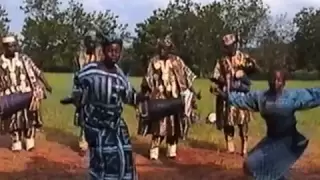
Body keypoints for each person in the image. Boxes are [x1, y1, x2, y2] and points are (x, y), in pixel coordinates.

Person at [217, 69, 320, 179]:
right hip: (271, 139)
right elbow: (243, 100)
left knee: (254, 165)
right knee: (249, 166)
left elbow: (313, 95)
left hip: (289, 140)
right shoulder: (261, 97)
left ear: (284, 82)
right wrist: (225, 95)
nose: (275, 83)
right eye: (273, 79)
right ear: (268, 81)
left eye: (279, 80)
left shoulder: (292, 97)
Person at [138, 34, 198, 160]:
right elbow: (146, 80)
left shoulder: (177, 61)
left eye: (165, 48)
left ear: (170, 49)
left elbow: (187, 79)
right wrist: (143, 96)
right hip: (159, 98)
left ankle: (172, 148)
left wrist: (194, 92)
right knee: (158, 126)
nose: (162, 51)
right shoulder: (153, 62)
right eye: (160, 48)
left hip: (175, 97)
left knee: (174, 124)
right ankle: (154, 150)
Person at [209, 33, 259, 156]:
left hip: (241, 94)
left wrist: (243, 73)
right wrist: (225, 80)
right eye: (227, 47)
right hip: (227, 94)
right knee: (228, 121)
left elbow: (254, 70)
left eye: (231, 46)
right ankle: (229, 145)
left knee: (243, 121)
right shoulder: (222, 60)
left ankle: (244, 147)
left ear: (235, 45)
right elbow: (214, 76)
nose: (229, 49)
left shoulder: (243, 57)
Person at [0, 35, 51, 152]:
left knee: (29, 117)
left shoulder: (24, 59)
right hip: (10, 96)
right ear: (4, 47)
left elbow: (36, 71)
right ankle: (16, 141)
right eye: (10, 46)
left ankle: (29, 141)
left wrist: (47, 85)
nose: (13, 48)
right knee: (13, 119)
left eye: (14, 46)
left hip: (27, 94)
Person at [73, 30, 103, 156]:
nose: (91, 44)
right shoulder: (79, 56)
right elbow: (76, 74)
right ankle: (83, 143)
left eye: (93, 42)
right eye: (88, 41)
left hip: (98, 90)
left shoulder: (101, 55)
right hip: (84, 90)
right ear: (85, 42)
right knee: (84, 116)